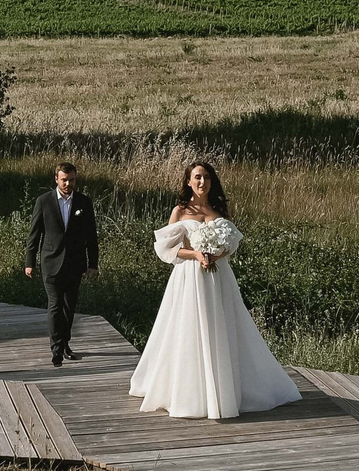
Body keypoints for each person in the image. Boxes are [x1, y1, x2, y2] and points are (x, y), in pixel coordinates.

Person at [130, 160, 300, 420]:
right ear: (188, 181)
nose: (202, 182)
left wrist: (218, 254)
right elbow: (167, 249)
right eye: (197, 177)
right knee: (188, 328)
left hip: (219, 278)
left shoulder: (218, 209)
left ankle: (225, 389)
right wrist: (196, 254)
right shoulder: (180, 210)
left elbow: (231, 245)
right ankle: (190, 393)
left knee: (222, 326)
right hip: (189, 278)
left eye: (207, 177)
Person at [23, 161, 100, 366]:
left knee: (69, 307)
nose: (68, 184)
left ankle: (65, 344)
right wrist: (30, 262)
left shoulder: (84, 202)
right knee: (55, 305)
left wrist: (93, 264)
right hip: (51, 262)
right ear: (56, 179)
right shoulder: (44, 202)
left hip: (74, 263)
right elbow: (34, 235)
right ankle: (56, 349)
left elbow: (91, 236)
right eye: (64, 180)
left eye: (71, 180)